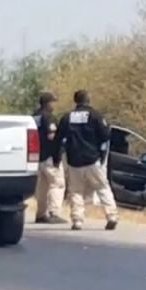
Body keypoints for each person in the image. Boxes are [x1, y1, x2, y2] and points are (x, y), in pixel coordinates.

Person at [53, 90, 119, 231]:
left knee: (75, 192)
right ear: (88, 100)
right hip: (92, 160)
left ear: (76, 101)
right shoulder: (95, 115)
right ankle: (112, 216)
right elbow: (106, 135)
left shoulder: (67, 117)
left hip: (74, 161)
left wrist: (56, 158)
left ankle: (77, 220)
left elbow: (58, 139)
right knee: (102, 187)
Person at [33, 92, 67, 224]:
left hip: (37, 157)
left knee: (42, 187)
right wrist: (57, 155)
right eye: (53, 102)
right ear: (48, 103)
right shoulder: (49, 117)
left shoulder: (34, 116)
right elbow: (52, 137)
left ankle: (41, 214)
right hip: (49, 157)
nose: (54, 105)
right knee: (57, 184)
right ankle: (54, 213)